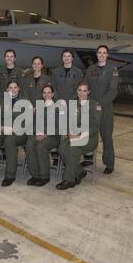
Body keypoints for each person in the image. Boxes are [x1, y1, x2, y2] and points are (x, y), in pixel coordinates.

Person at [56, 82, 102, 190]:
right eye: (80, 90)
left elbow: (95, 126)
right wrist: (69, 132)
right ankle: (79, 171)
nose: (82, 93)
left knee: (72, 149)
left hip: (89, 137)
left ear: (88, 92)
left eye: (84, 91)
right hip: (74, 135)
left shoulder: (95, 105)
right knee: (62, 148)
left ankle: (69, 180)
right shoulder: (73, 104)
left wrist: (80, 135)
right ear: (77, 92)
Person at [0, 81, 29, 186]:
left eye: (15, 88)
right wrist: (1, 126)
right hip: (5, 129)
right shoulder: (3, 102)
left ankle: (10, 175)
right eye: (10, 88)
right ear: (7, 90)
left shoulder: (25, 102)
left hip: (20, 132)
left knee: (10, 141)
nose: (12, 90)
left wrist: (14, 129)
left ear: (19, 89)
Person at [84, 45, 120, 174]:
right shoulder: (90, 69)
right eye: (99, 52)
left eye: (104, 53)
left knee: (106, 137)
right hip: (91, 108)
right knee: (89, 134)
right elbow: (85, 86)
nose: (101, 55)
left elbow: (113, 91)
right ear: (96, 54)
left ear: (107, 55)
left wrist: (100, 104)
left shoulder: (112, 70)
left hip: (106, 109)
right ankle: (88, 159)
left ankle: (109, 163)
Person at [25, 84, 61, 187]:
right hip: (39, 133)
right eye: (44, 93)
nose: (47, 95)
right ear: (42, 94)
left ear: (53, 94)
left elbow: (60, 127)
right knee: (30, 143)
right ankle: (35, 174)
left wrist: (46, 133)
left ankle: (44, 176)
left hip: (53, 136)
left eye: (49, 92)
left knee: (41, 147)